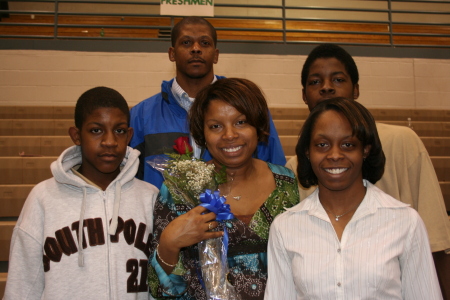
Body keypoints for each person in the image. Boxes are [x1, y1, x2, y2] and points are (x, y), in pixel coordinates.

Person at [265, 97, 442, 299]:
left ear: (365, 150)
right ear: (308, 152)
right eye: (322, 144)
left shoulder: (405, 222)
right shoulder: (285, 227)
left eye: (348, 144)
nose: (334, 155)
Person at [285, 44, 450, 254]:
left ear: (356, 89)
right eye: (315, 82)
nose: (326, 87)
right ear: (304, 95)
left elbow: (435, 240)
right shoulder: (296, 165)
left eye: (338, 79)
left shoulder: (403, 141)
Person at [148, 78, 300, 300]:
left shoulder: (285, 182)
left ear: (258, 126)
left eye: (240, 122)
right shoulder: (180, 189)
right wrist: (169, 244)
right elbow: (158, 289)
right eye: (216, 126)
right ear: (203, 134)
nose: (229, 135)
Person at [3, 87, 159, 299]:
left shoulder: (149, 197)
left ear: (129, 135)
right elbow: (22, 286)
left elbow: (161, 282)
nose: (110, 141)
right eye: (96, 130)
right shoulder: (43, 198)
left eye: (119, 130)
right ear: (76, 135)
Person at [130, 16, 286, 189]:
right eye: (186, 43)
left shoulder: (248, 106)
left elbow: (276, 173)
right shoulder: (141, 115)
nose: (196, 49)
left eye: (204, 43)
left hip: (237, 214)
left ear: (216, 55)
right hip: (162, 215)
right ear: (172, 54)